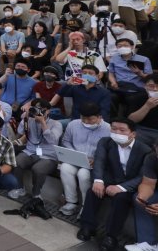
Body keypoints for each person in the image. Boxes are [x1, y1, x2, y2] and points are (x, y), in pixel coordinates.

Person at [77, 119, 152, 251]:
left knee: (121, 199)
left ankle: (111, 236)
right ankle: (88, 226)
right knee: (93, 191)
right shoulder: (105, 142)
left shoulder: (144, 149)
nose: (117, 132)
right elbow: (99, 161)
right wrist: (98, 181)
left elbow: (143, 175)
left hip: (129, 184)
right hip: (109, 179)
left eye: (122, 130)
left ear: (133, 134)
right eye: (114, 129)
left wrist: (121, 187)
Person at [58, 102, 111, 216]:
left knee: (83, 174)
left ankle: (85, 205)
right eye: (83, 118)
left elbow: (109, 150)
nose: (86, 122)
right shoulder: (73, 124)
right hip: (76, 158)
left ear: (99, 117)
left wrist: (96, 159)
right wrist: (73, 153)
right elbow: (66, 141)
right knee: (65, 168)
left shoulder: (108, 129)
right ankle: (71, 201)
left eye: (90, 119)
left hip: (93, 162)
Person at [9, 99, 62, 200]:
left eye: (43, 110)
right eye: (36, 109)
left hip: (48, 156)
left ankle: (36, 193)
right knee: (16, 162)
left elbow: (52, 140)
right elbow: (20, 131)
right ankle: (20, 188)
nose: (39, 112)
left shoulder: (56, 124)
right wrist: (25, 117)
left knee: (38, 169)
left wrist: (43, 123)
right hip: (30, 151)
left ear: (48, 111)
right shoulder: (29, 120)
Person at [126, 140, 158, 250]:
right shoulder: (152, 158)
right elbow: (148, 183)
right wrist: (142, 196)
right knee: (138, 198)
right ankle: (148, 244)